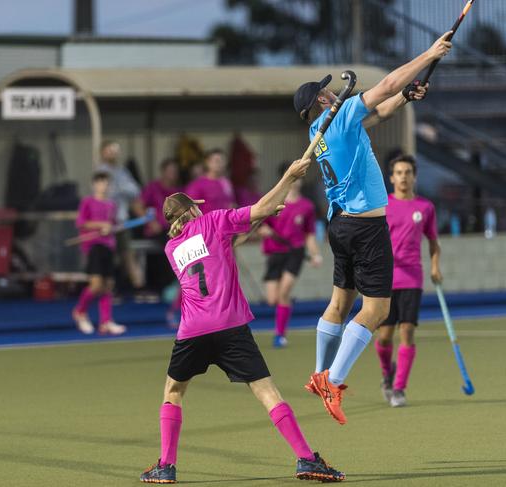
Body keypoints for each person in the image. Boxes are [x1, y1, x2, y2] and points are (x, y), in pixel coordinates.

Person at [139, 159, 345, 484]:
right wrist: (288, 178)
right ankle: (307, 459)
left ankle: (165, 466)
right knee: (266, 392)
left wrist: (260, 217)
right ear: (193, 211)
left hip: (193, 330)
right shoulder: (214, 221)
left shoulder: (171, 247)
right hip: (230, 325)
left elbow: (222, 246)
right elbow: (258, 208)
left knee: (174, 391)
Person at [294, 32, 452, 425]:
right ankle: (335, 380)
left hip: (339, 226)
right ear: (322, 101)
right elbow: (384, 86)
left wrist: (406, 98)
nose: (333, 95)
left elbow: (381, 110)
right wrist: (429, 54)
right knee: (377, 310)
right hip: (366, 229)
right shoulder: (342, 114)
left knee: (339, 303)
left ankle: (319, 373)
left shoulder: (317, 133)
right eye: (326, 94)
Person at [375, 155, 441, 408]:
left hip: (412, 278)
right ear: (391, 178)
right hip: (385, 279)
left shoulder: (425, 207)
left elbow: (434, 243)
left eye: (407, 172)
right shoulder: (382, 205)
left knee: (407, 331)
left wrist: (435, 267)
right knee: (384, 337)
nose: (403, 176)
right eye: (399, 172)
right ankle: (386, 374)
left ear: (414, 176)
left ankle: (399, 389)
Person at [261, 161, 323, 348]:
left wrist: (315, 254)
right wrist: (262, 230)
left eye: (298, 179)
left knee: (284, 291)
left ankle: (280, 335)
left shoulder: (307, 206)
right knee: (273, 298)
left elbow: (309, 234)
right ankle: (286, 304)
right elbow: (260, 222)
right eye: (292, 178)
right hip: (275, 253)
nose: (296, 182)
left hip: (295, 252)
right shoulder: (274, 202)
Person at [72, 172, 126, 335]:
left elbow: (113, 225)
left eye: (106, 183)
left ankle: (105, 321)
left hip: (108, 246)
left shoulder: (112, 205)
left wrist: (114, 227)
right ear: (94, 184)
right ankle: (80, 311)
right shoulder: (87, 202)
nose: (104, 186)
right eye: (100, 182)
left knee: (108, 286)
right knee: (96, 285)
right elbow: (81, 223)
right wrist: (101, 224)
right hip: (94, 246)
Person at [95, 140, 144, 291]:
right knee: (106, 258)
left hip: (121, 221)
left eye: (115, 150)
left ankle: (138, 288)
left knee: (127, 255)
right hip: (104, 223)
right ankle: (107, 291)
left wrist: (120, 188)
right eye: (109, 150)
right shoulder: (100, 171)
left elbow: (135, 191)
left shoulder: (122, 171)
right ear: (103, 152)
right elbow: (105, 193)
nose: (113, 153)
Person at [140, 158, 183, 293]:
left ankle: (179, 284)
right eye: (170, 171)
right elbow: (137, 205)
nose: (173, 174)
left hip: (175, 229)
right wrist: (150, 221)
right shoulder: (153, 187)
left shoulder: (179, 190)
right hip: (157, 230)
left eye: (175, 171)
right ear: (163, 172)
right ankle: (172, 284)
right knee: (172, 246)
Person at [185, 148, 236, 213]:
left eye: (222, 160)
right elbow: (189, 208)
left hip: (225, 221)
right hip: (206, 222)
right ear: (207, 162)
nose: (219, 163)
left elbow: (231, 202)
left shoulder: (226, 182)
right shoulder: (197, 185)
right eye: (216, 160)